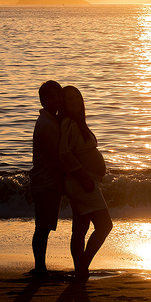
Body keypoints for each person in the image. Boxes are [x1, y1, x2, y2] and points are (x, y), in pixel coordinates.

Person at [59, 85, 112, 280]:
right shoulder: (69, 123)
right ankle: (82, 268)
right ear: (63, 104)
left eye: (77, 98)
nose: (74, 102)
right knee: (105, 226)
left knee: (80, 229)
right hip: (81, 182)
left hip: (82, 181)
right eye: (69, 99)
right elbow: (64, 153)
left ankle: (80, 269)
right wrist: (84, 176)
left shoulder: (77, 123)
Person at [28, 80, 65, 278]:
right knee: (43, 227)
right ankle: (40, 268)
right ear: (43, 101)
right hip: (46, 182)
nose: (57, 100)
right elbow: (58, 156)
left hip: (46, 181)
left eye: (59, 95)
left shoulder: (50, 120)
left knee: (43, 226)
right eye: (52, 97)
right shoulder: (47, 124)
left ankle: (40, 267)